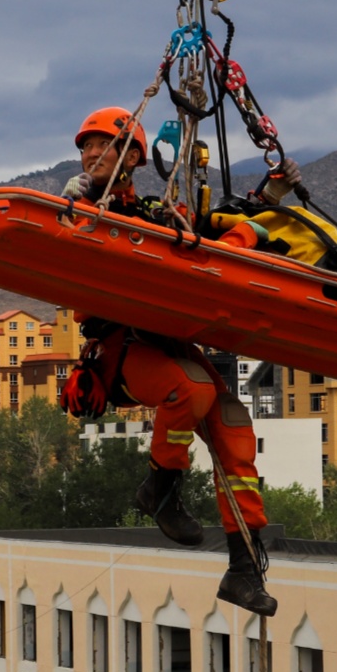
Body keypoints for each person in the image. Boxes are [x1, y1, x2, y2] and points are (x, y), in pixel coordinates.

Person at [58, 107, 300, 617]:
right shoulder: (85, 206)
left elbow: (216, 231)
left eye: (102, 145)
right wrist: (70, 202)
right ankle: (161, 489)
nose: (91, 154)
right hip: (119, 349)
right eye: (86, 146)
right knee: (193, 390)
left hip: (166, 342)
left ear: (131, 157)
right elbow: (63, 243)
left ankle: (244, 569)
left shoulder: (153, 210)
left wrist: (273, 194)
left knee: (234, 428)